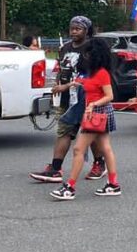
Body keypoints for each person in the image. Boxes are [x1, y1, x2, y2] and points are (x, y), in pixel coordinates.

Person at [30, 16, 104, 183]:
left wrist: (67, 86)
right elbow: (62, 69)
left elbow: (93, 76)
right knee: (63, 131)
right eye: (72, 28)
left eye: (78, 29)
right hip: (66, 98)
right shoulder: (65, 48)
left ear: (87, 30)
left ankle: (99, 164)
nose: (74, 31)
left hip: (86, 97)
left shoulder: (92, 49)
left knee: (91, 132)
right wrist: (57, 84)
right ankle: (55, 169)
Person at [50, 37, 122, 200]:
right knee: (106, 148)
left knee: (78, 149)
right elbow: (79, 83)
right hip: (96, 113)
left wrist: (93, 105)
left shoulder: (102, 73)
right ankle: (113, 184)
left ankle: (70, 187)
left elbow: (110, 96)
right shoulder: (91, 72)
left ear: (95, 55)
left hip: (96, 113)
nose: (85, 55)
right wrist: (65, 86)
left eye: (88, 53)